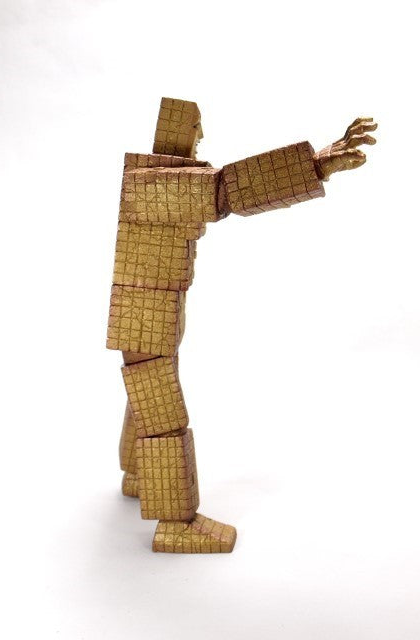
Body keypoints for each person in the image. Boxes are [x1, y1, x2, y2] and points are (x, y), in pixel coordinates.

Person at [107, 97, 377, 553]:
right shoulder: (154, 182)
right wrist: (317, 164)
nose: (200, 142)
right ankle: (174, 524)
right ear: (180, 133)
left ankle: (137, 476)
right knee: (164, 418)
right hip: (144, 321)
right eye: (196, 133)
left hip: (148, 317)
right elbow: (228, 188)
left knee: (145, 395)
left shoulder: (153, 179)